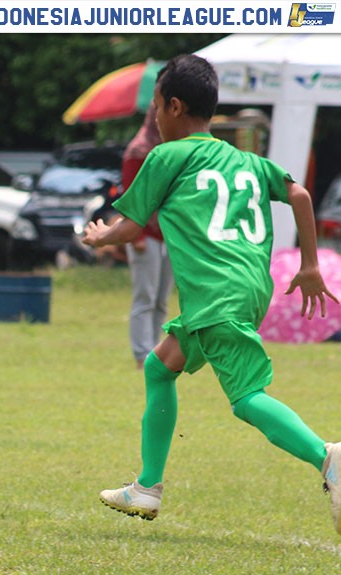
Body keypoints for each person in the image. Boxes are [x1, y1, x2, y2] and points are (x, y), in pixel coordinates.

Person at [83, 54, 341, 533]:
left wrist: (99, 236)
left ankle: (328, 458)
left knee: (246, 399)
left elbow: (130, 228)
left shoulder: (168, 156)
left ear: (175, 107)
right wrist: (308, 264)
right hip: (246, 287)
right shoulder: (247, 160)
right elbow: (301, 196)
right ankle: (146, 487)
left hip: (217, 292)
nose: (156, 117)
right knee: (160, 366)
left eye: (157, 106)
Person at [123, 103, 174, 369]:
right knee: (145, 295)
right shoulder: (138, 151)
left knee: (161, 298)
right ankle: (141, 353)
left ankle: (155, 350)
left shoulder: (169, 150)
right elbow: (132, 197)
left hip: (169, 234)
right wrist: (137, 236)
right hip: (144, 234)